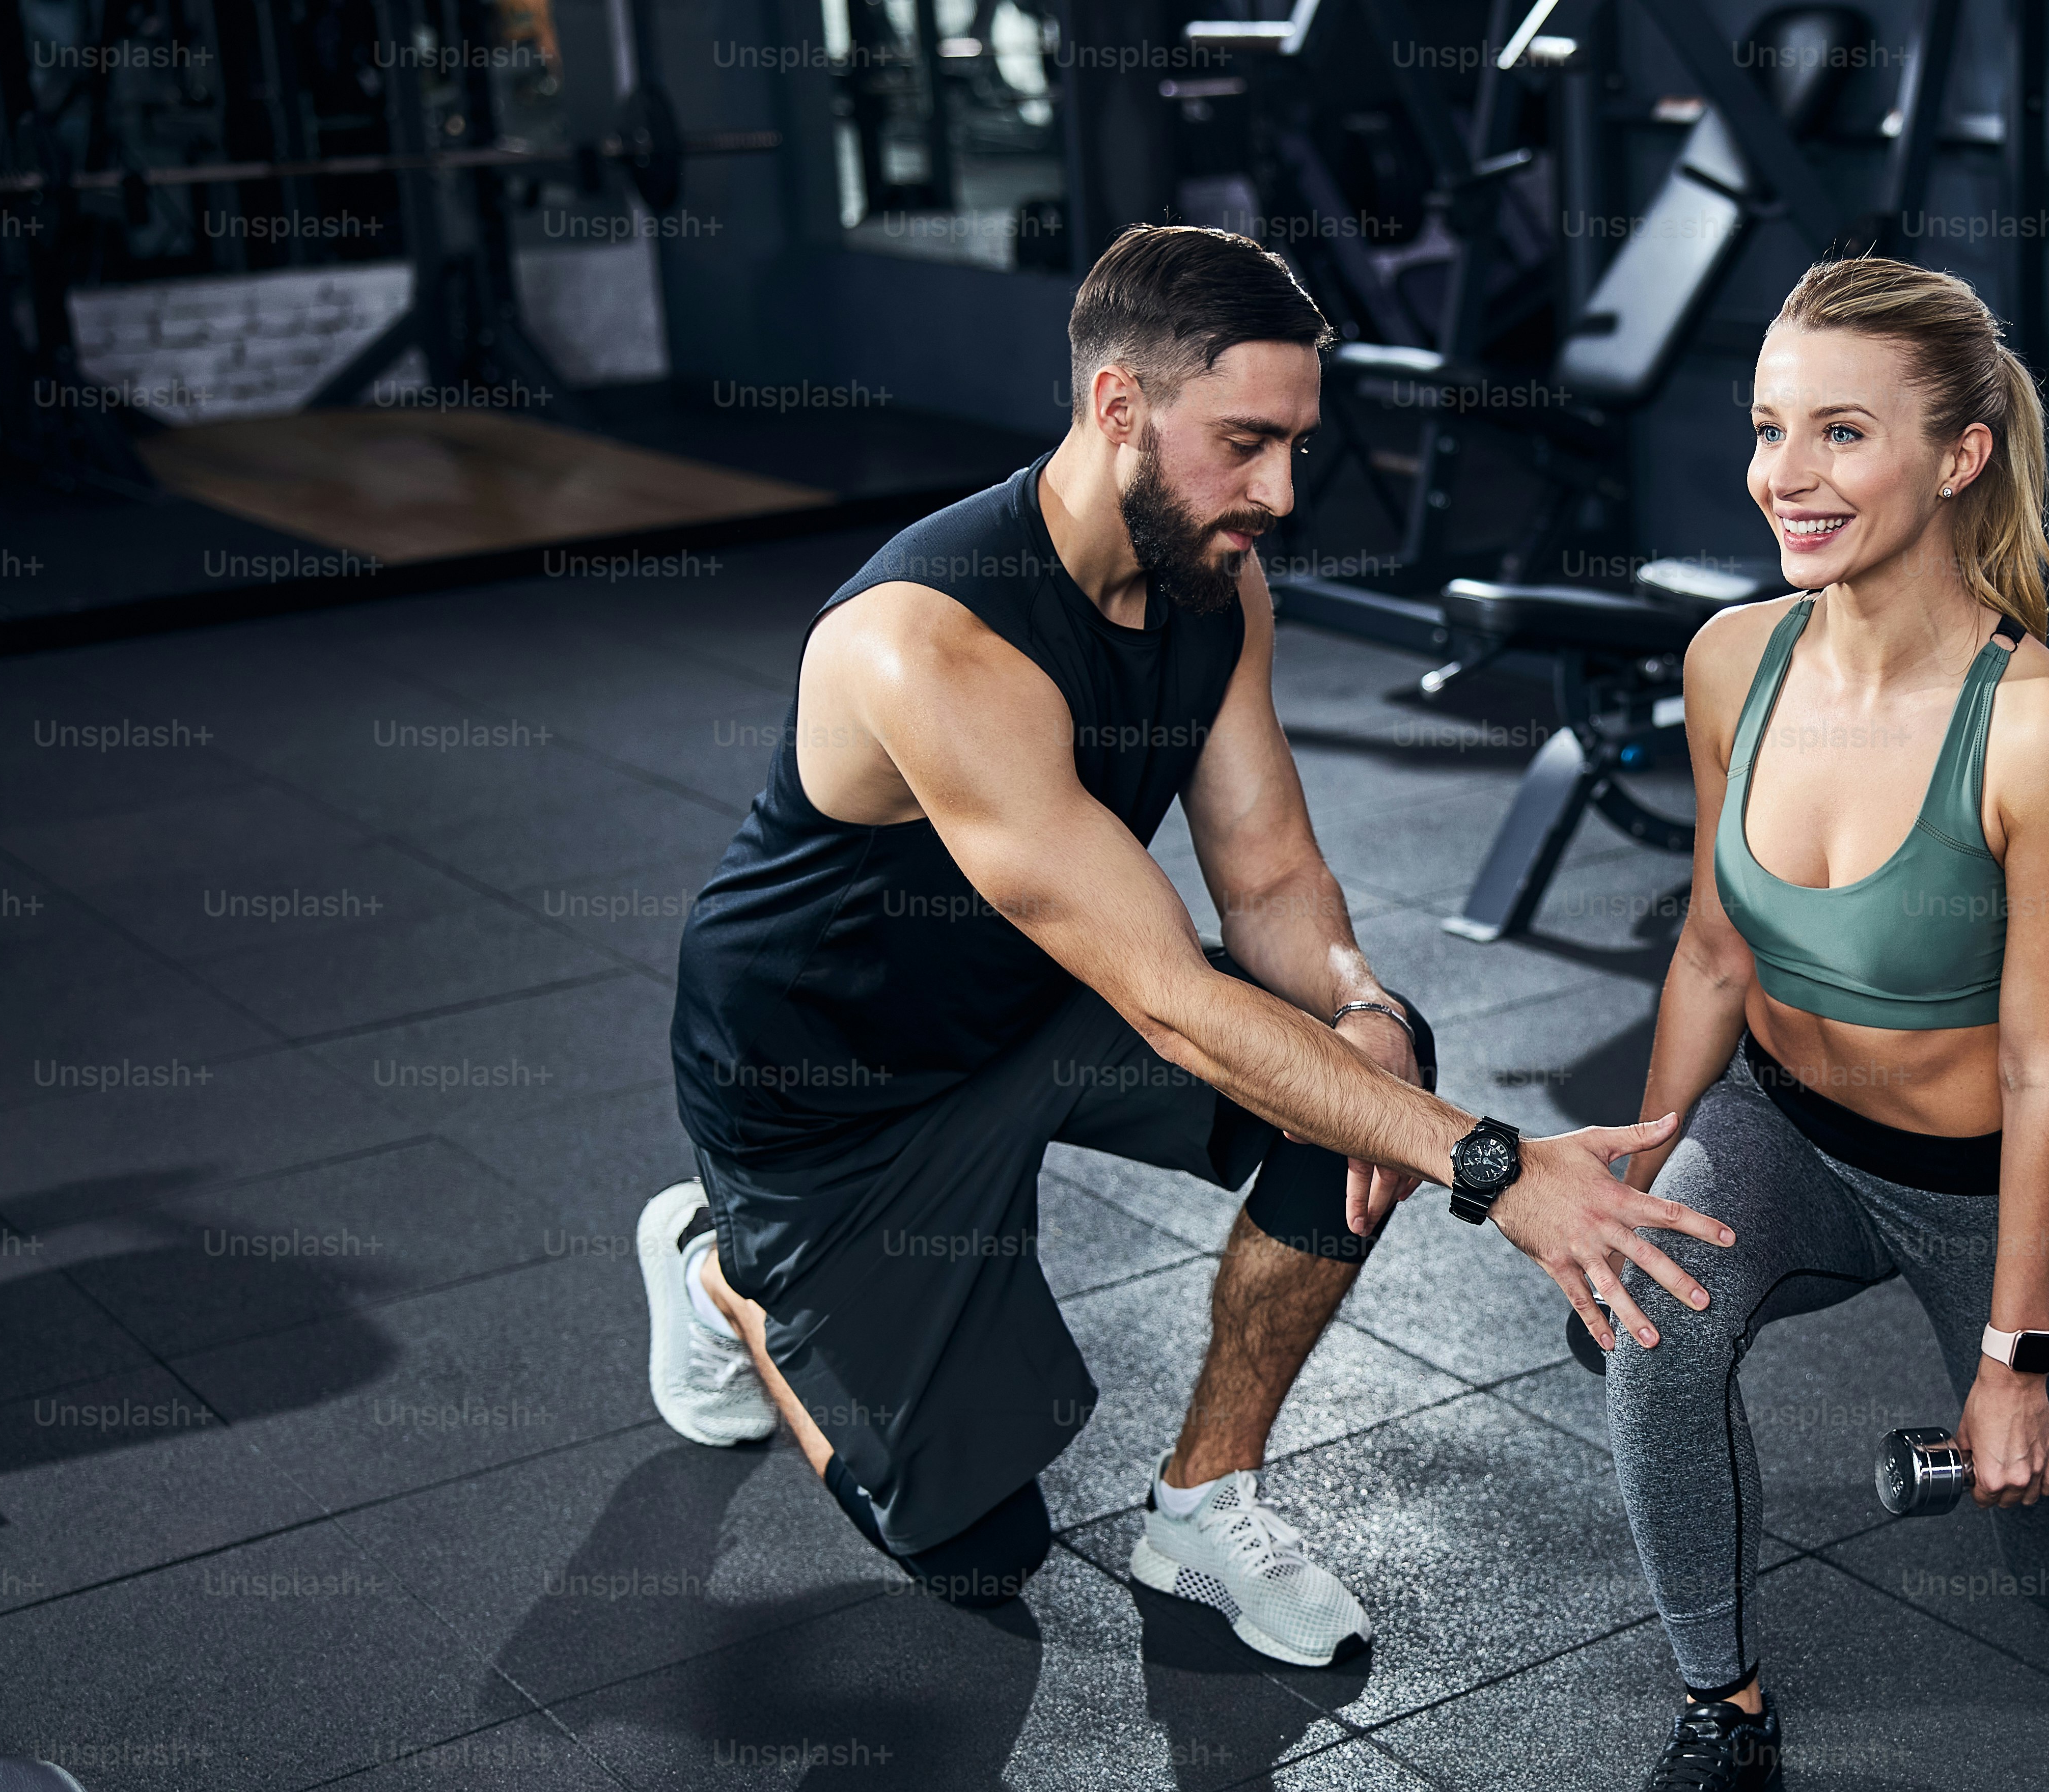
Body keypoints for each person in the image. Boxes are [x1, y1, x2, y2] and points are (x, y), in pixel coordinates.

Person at [642, 224, 1731, 1653]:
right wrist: (1492, 1165)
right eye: (1247, 444)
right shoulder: (929, 640)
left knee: (1358, 1083)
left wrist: (1364, 1011)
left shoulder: (1219, 582)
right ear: (1118, 410)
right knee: (983, 1550)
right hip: (831, 1090)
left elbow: (1271, 885)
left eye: (1297, 446)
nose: (1281, 492)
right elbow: (1168, 997)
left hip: (1040, 1001)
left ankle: (1204, 1506)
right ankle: (722, 1269)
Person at [1590, 257, 2049, 1792]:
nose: (1781, 477)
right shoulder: (1735, 660)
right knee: (1653, 1340)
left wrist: (2019, 1359)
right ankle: (1719, 1717)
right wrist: (1638, 1171)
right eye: (1766, 429)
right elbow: (1720, 954)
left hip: (1985, 1183)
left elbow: (2041, 1068)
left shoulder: (2043, 734)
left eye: (1840, 434)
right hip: (1782, 1137)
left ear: (1957, 458)